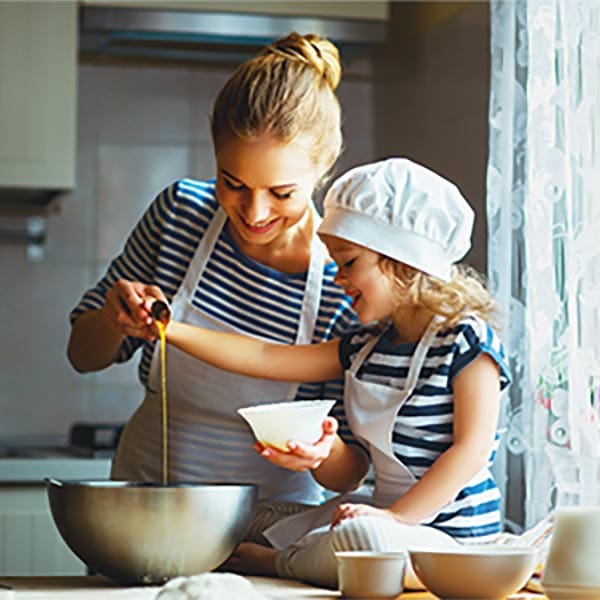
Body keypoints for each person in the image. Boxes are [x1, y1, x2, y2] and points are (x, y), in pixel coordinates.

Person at [66, 32, 367, 540]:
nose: (254, 213)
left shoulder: (345, 275)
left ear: (324, 168)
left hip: (269, 531)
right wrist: (113, 319)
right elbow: (82, 354)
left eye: (282, 192)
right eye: (233, 183)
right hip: (143, 511)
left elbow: (350, 468)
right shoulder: (179, 215)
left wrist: (322, 453)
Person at [162, 158, 512, 588]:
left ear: (400, 260)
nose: (338, 277)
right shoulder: (365, 346)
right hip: (383, 520)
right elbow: (265, 357)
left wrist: (395, 518)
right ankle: (306, 551)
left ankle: (279, 563)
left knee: (363, 538)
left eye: (348, 263)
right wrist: (166, 328)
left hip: (451, 543)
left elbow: (471, 451)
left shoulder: (466, 343)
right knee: (252, 517)